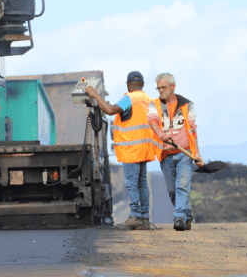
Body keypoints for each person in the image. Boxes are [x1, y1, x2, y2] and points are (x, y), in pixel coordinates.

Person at [85, 71, 159, 230]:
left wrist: (95, 95)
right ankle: (144, 219)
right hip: (145, 148)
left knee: (132, 183)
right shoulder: (149, 100)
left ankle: (135, 216)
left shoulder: (129, 98)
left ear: (128, 84)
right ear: (143, 85)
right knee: (142, 183)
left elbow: (110, 110)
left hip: (131, 148)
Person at [148, 73, 201, 231]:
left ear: (173, 87)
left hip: (184, 153)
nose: (160, 91)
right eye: (158, 88)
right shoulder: (154, 104)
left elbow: (192, 130)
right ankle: (186, 213)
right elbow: (152, 120)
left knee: (182, 186)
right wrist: (159, 133)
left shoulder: (186, 104)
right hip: (165, 154)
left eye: (163, 87)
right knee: (172, 190)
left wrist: (197, 153)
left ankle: (179, 217)